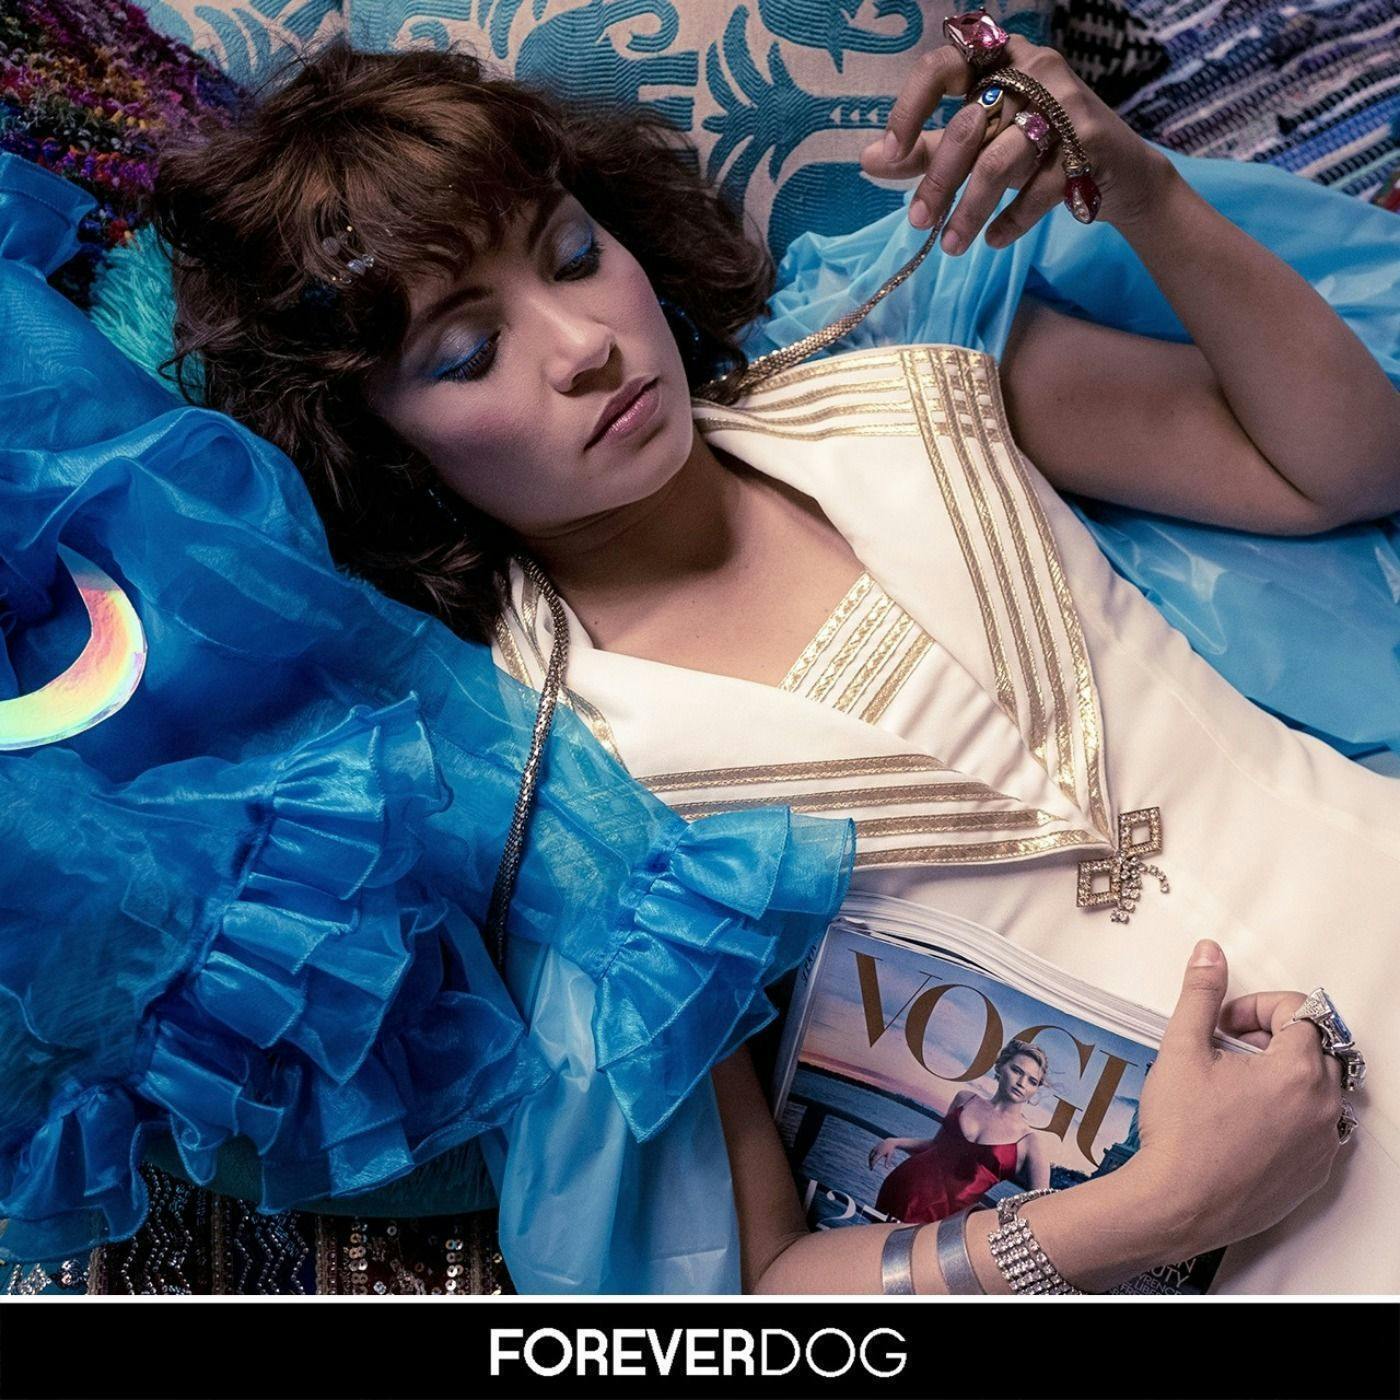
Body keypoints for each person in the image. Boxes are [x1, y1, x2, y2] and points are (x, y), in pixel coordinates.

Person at [136, 27, 1395, 1297]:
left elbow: (1337, 468)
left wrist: (1141, 188)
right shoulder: (553, 790)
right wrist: (1150, 1211)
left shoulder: (910, 387)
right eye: (467, 353)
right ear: (378, 448)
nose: (581, 344)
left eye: (574, 255)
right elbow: (754, 1290)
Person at [869, 1040, 1054, 1225]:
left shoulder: (1030, 1142)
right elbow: (935, 1146)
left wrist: (984, 1223)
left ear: (1035, 1090)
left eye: (1032, 1081)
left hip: (943, 1223)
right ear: (1000, 1067)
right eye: (1017, 1071)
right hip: (902, 1188)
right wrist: (895, 1142)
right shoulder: (965, 1099)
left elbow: (1040, 1211)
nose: (1021, 1083)